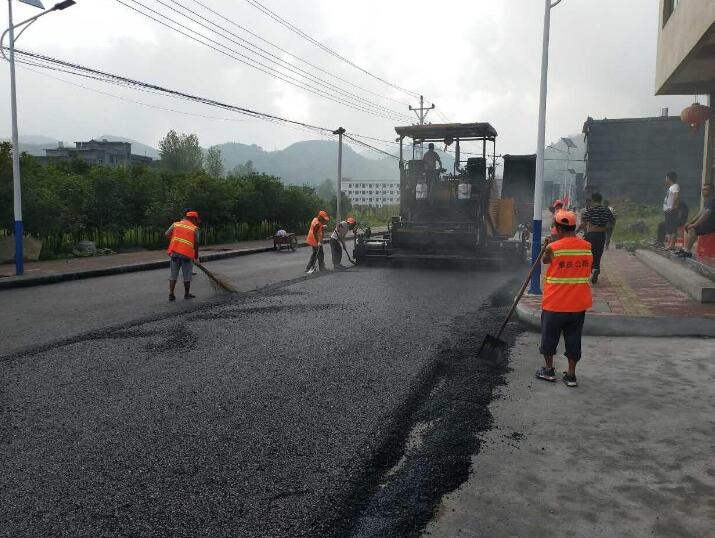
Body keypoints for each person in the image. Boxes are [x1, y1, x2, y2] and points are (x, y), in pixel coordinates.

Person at [536, 210, 593, 388]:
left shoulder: (553, 248)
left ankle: (549, 370)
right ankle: (571, 375)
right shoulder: (587, 246)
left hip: (555, 303)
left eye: (554, 226)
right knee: (573, 338)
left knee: (549, 338)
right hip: (577, 304)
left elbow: (545, 261)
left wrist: (547, 247)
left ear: (559, 229)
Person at [578, 192, 613, 284]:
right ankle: (596, 268)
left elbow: (583, 223)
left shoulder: (590, 210)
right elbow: (611, 223)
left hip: (591, 234)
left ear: (593, 200)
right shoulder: (607, 210)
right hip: (601, 235)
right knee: (598, 253)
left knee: (590, 253)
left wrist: (575, 231)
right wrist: (605, 229)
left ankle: (593, 269)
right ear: (601, 200)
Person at [166, 210, 201, 301]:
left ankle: (171, 294)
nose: (196, 222)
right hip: (186, 255)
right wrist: (196, 256)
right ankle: (186, 294)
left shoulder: (175, 224)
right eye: (196, 220)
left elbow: (167, 234)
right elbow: (196, 244)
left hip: (174, 253)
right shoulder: (194, 228)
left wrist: (174, 240)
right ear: (192, 218)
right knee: (187, 275)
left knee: (173, 275)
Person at [677, 182, 715, 258]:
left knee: (692, 228)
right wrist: (690, 222)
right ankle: (685, 249)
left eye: (706, 189)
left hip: (712, 225)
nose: (703, 191)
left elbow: (706, 215)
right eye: (703, 189)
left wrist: (695, 224)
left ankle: (688, 252)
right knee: (687, 226)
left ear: (712, 190)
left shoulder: (713, 201)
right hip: (707, 223)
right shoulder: (709, 201)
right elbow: (701, 213)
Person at [656, 171, 681, 248]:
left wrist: (673, 207)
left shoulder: (675, 186)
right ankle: (668, 244)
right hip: (668, 211)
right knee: (669, 227)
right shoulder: (671, 187)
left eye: (666, 178)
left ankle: (671, 245)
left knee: (672, 228)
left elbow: (676, 196)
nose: (665, 179)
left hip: (671, 211)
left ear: (669, 178)